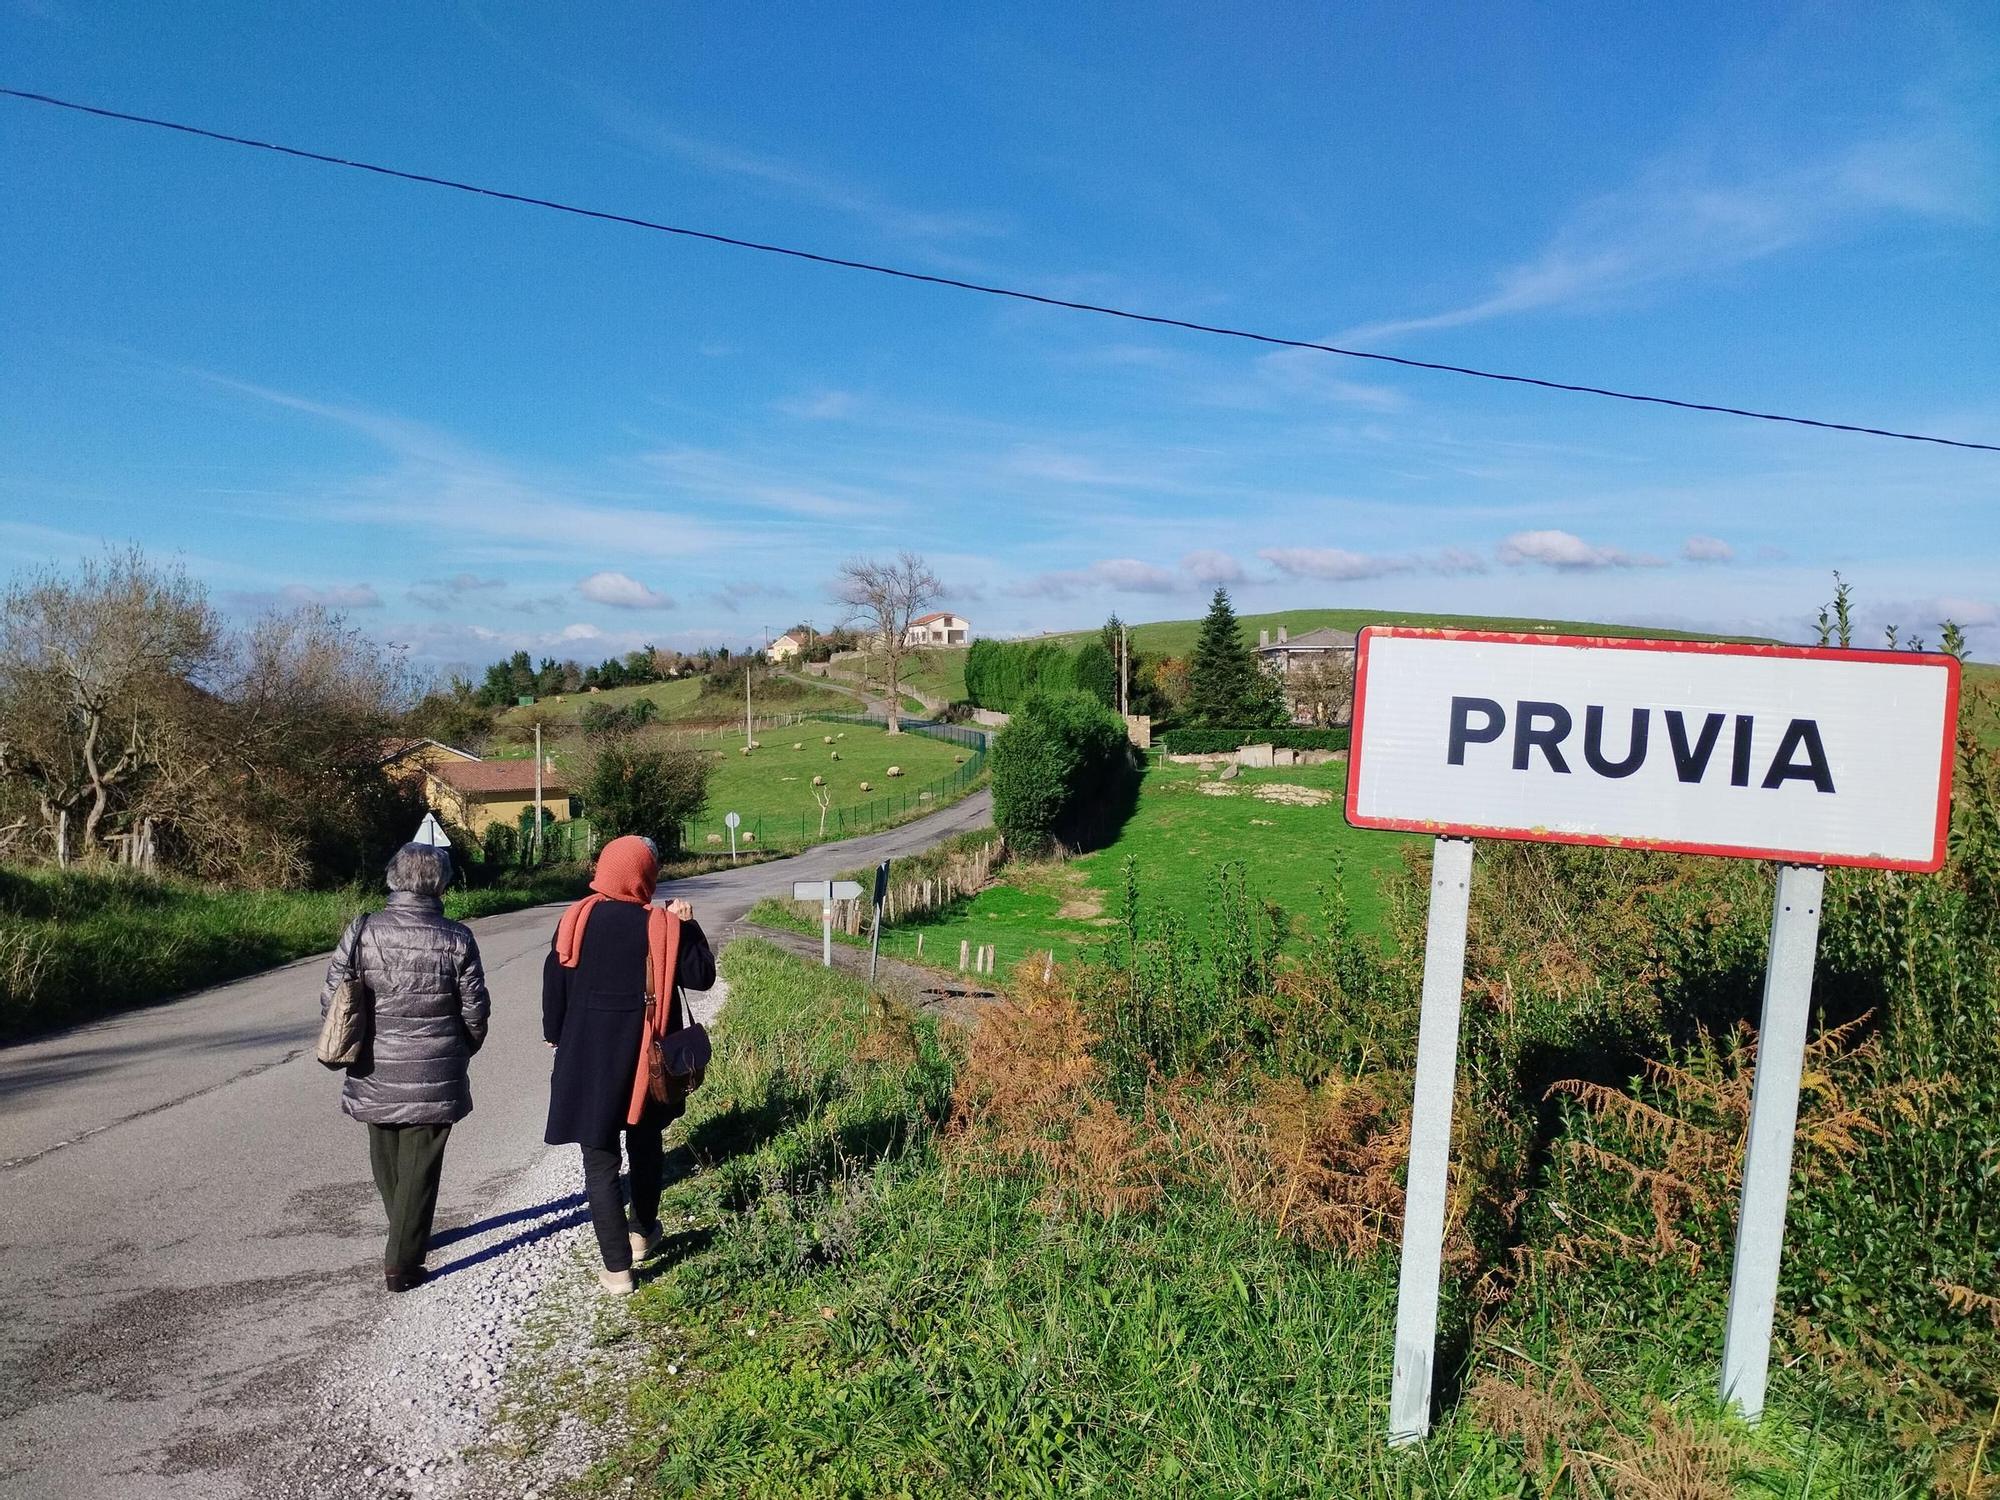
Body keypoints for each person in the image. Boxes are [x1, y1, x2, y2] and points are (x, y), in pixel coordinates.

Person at [543, 835, 715, 1296]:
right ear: (645, 875)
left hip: (588, 1059)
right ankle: (642, 1232)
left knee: (599, 1161)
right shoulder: (661, 925)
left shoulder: (575, 920)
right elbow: (701, 978)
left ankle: (618, 1271)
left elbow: (555, 982)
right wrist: (689, 928)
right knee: (644, 1145)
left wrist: (557, 1034)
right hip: (645, 1059)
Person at [319, 843, 490, 1293]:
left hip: (372, 1063)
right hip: (435, 1065)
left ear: (394, 878)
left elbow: (332, 998)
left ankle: (404, 1232)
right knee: (422, 1164)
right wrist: (463, 1047)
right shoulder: (457, 938)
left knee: (387, 1155)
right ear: (441, 883)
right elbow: (475, 1010)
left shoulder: (363, 931)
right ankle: (403, 1262)